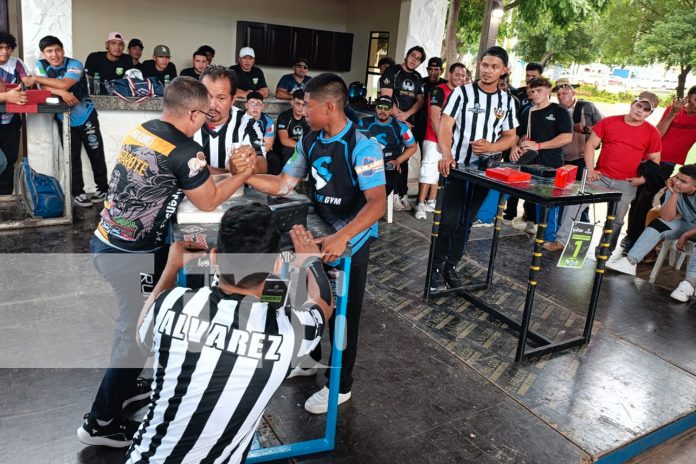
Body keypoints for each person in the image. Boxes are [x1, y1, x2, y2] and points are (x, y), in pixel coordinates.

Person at [78, 76, 261, 448]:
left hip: (106, 240)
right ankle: (100, 422)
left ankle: (126, 385)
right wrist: (242, 173)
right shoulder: (186, 149)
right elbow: (208, 201)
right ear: (193, 113)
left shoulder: (143, 131)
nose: (206, 118)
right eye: (204, 113)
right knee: (135, 330)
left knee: (136, 321)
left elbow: (183, 176)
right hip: (131, 257)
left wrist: (223, 169)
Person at [123, 205, 332, 463]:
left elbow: (142, 337)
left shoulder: (172, 303)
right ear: (277, 264)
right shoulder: (287, 334)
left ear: (214, 257)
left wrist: (171, 267)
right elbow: (322, 304)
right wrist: (311, 261)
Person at [244, 73, 386, 414]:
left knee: (344, 315)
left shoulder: (364, 146)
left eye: (308, 105)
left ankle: (341, 386)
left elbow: (377, 203)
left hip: (350, 240)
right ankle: (309, 359)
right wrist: (243, 176)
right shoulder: (309, 140)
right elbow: (283, 184)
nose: (303, 111)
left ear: (329, 106)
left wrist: (344, 235)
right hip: (318, 234)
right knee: (306, 298)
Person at [429, 46, 518, 292]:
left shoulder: (506, 100)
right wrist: (446, 154)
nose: (488, 71)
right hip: (457, 168)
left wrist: (493, 145)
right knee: (449, 220)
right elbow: (445, 127)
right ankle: (435, 268)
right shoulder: (462, 93)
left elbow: (511, 136)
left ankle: (451, 266)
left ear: (504, 70)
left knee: (467, 222)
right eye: (485, 65)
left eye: (494, 67)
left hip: (484, 171)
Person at [545, 91, 663, 254]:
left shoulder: (651, 132)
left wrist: (642, 179)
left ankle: (604, 252)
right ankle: (562, 240)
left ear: (649, 114)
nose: (640, 111)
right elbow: (590, 145)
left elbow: (655, 160)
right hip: (600, 176)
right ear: (632, 104)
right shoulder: (609, 122)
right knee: (574, 204)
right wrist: (591, 169)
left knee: (616, 220)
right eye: (638, 105)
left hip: (627, 182)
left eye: (645, 110)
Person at [27, 35, 110, 207]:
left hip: (86, 116)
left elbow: (65, 83)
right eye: (49, 51)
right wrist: (62, 93)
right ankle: (77, 192)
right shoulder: (41, 65)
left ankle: (103, 189)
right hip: (63, 118)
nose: (54, 54)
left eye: (57, 50)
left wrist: (37, 79)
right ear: (43, 53)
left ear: (63, 50)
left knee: (96, 154)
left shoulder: (75, 64)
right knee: (71, 158)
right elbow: (43, 89)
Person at [606, 165, 696, 302]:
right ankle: (630, 262)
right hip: (687, 224)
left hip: (692, 230)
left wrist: (686, 235)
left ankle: (689, 284)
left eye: (683, 181)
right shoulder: (674, 189)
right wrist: (674, 194)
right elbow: (667, 217)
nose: (677, 182)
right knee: (658, 223)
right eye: (677, 177)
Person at [623, 85, 696, 252]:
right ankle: (630, 236)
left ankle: (634, 239)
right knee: (637, 196)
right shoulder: (674, 109)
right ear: (690, 96)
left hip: (668, 163)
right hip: (651, 157)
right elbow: (657, 134)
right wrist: (673, 113)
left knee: (647, 197)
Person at [510, 77, 572, 244]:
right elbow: (517, 133)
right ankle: (539, 231)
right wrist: (514, 147)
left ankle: (550, 237)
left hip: (551, 163)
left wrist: (539, 145)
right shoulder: (526, 111)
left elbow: (567, 137)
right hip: (529, 162)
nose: (534, 94)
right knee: (532, 199)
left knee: (550, 202)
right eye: (532, 91)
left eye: (539, 91)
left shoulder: (559, 111)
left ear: (548, 92)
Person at [415, 62, 468, 220]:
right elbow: (434, 117)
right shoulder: (439, 90)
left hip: (450, 141)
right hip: (433, 138)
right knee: (427, 172)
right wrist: (441, 140)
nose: (460, 78)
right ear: (450, 74)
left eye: (463, 75)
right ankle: (420, 204)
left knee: (440, 172)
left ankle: (431, 201)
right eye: (457, 74)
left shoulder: (461, 93)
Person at [193, 65, 266, 174]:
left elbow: (262, 167)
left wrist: (250, 161)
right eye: (207, 96)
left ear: (233, 99)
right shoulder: (188, 118)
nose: (212, 105)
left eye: (221, 98)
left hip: (237, 191)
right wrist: (230, 172)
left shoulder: (247, 123)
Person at [380, 45, 426, 211]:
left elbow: (420, 100)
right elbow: (386, 97)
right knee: (393, 157)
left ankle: (402, 194)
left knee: (404, 158)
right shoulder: (392, 71)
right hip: (392, 123)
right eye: (412, 56)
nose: (414, 60)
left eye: (418, 59)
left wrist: (406, 115)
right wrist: (399, 117)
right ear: (407, 56)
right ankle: (390, 196)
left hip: (407, 123)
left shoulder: (417, 77)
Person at [554, 77, 603, 224]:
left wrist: (584, 129)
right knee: (562, 195)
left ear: (573, 92)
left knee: (581, 196)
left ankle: (581, 228)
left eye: (565, 92)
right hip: (562, 160)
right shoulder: (556, 110)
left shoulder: (587, 107)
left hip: (582, 159)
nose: (562, 96)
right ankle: (562, 228)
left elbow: (603, 128)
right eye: (559, 94)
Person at [360, 95, 417, 202]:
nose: (382, 111)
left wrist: (398, 161)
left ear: (391, 110)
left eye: (386, 108)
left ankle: (372, 207)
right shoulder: (363, 123)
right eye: (380, 107)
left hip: (387, 167)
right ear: (375, 108)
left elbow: (412, 147)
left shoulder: (401, 127)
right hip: (366, 165)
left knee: (379, 192)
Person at [0, 31, 30, 195]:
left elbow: (28, 81)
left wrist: (31, 83)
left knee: (10, 160)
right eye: (0, 47)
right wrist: (6, 96)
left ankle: (5, 198)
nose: (4, 51)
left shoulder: (16, 63)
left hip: (11, 121)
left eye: (8, 47)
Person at [413, 57, 447, 150]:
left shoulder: (445, 84)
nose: (432, 73)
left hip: (433, 127)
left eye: (436, 70)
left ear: (441, 71)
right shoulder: (420, 82)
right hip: (417, 123)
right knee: (408, 150)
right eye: (430, 69)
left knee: (427, 154)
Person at [272, 88, 309, 174]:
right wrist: (302, 148)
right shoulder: (284, 116)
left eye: (303, 105)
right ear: (292, 102)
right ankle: (287, 180)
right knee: (290, 151)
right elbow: (284, 140)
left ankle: (307, 183)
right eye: (298, 103)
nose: (300, 107)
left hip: (301, 147)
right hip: (283, 148)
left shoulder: (308, 118)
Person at [243, 91, 275, 155]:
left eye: (258, 104)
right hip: (243, 150)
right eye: (252, 104)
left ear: (262, 107)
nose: (255, 108)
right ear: (246, 105)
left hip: (261, 151)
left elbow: (268, 145)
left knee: (274, 159)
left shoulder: (268, 121)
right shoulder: (238, 118)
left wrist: (254, 153)